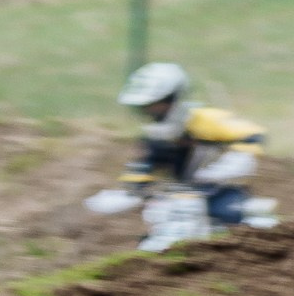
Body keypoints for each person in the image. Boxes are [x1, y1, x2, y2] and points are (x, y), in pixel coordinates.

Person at [91, 62, 271, 230]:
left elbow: (252, 134)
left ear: (172, 98)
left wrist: (234, 162)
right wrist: (131, 191)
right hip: (181, 197)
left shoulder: (203, 119)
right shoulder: (155, 136)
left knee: (239, 219)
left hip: (219, 193)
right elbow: (146, 165)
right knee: (160, 222)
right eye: (145, 107)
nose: (149, 111)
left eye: (153, 105)